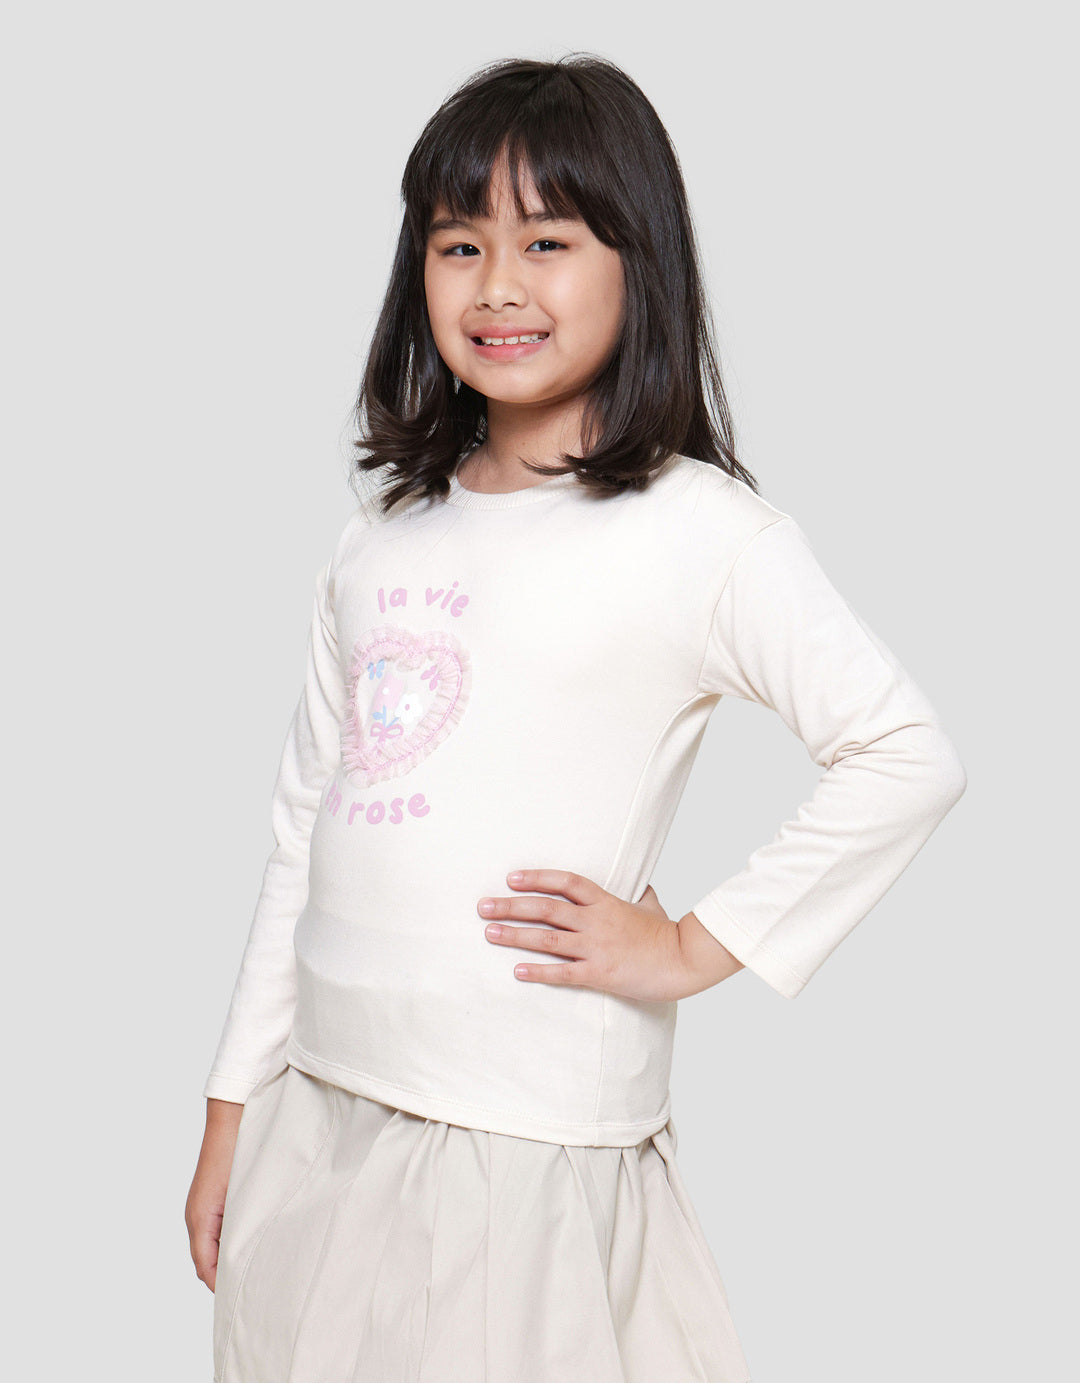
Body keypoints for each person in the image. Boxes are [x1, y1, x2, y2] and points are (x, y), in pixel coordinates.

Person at [185, 54, 967, 1383]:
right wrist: (229, 1108)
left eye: (547, 241)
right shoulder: (380, 540)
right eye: (459, 245)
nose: (497, 284)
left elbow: (903, 754)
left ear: (637, 262)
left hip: (526, 1130)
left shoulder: (699, 534)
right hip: (318, 1110)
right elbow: (304, 829)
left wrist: (692, 946)